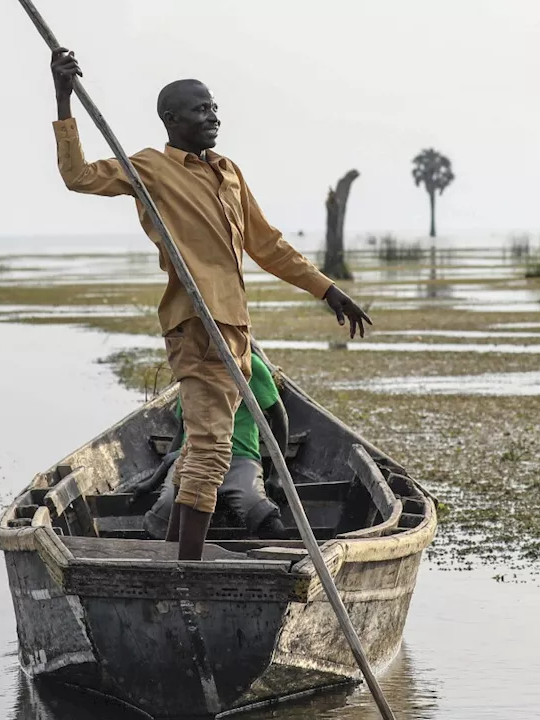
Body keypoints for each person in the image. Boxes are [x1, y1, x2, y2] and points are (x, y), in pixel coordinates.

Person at [49, 49, 371, 560]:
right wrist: (64, 97)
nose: (213, 116)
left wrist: (328, 289)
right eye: (200, 110)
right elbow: (79, 176)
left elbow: (268, 247)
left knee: (207, 447)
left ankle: (177, 554)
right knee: (210, 450)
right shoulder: (150, 169)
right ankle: (189, 567)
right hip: (196, 325)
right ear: (171, 120)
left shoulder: (228, 172)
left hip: (235, 326)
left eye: (215, 107)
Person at [142, 353, 291, 540]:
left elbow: (279, 418)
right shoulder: (190, 363)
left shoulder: (248, 363)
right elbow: (182, 429)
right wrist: (159, 475)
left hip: (239, 458)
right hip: (192, 458)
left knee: (266, 520)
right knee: (161, 516)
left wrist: (277, 476)